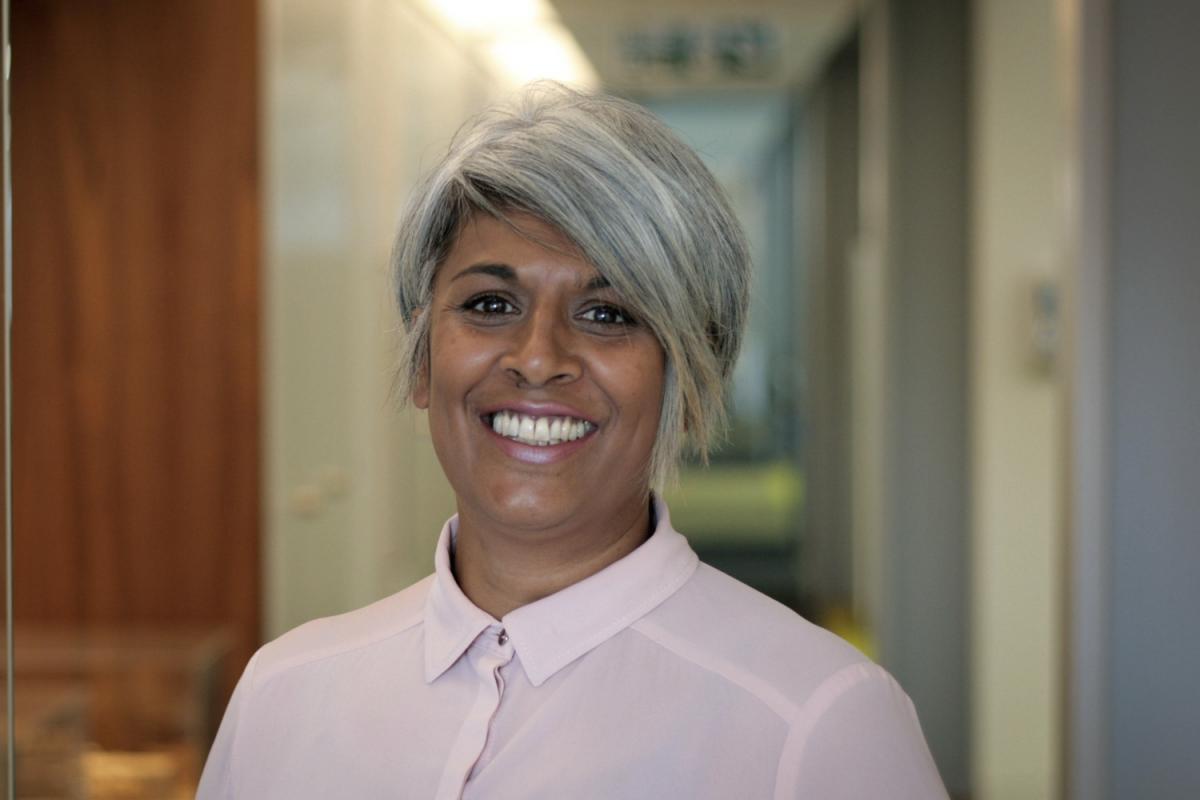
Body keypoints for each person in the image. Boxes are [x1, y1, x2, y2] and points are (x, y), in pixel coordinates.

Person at [196, 82, 947, 799]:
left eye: (608, 314)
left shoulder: (818, 719)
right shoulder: (282, 695)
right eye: (490, 304)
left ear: (688, 381)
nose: (537, 357)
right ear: (423, 359)